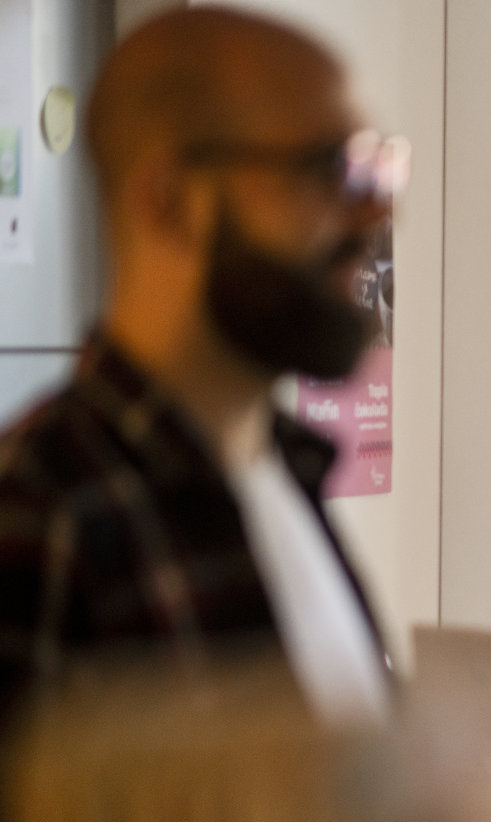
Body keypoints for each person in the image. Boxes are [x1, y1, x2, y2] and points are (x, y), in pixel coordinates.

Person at [0, 8, 401, 727]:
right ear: (173, 201)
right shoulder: (42, 514)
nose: (374, 216)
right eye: (330, 171)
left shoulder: (286, 470)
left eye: (378, 170)